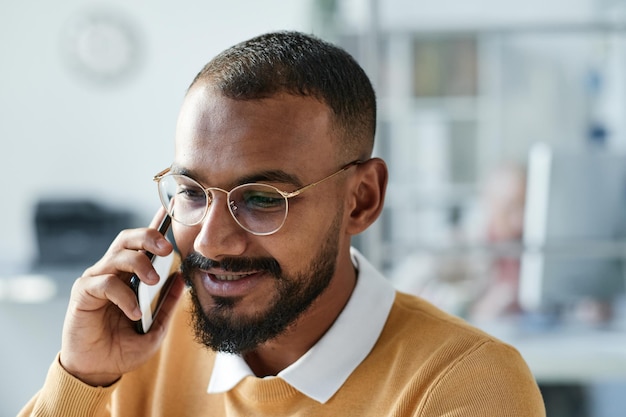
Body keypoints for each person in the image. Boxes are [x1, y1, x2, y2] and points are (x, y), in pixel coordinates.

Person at [19, 31, 545, 416]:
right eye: (192, 193)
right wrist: (81, 379)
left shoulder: (464, 384)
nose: (210, 239)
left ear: (361, 200)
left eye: (263, 198)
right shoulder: (137, 352)